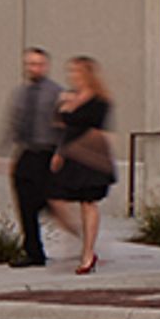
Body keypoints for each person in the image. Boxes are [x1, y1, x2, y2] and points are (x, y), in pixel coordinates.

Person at [45, 56, 117, 274]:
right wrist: (59, 151)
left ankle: (88, 253)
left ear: (87, 74)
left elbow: (94, 126)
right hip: (70, 154)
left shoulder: (100, 101)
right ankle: (79, 233)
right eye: (71, 72)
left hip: (90, 155)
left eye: (76, 72)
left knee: (88, 202)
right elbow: (59, 124)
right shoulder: (69, 96)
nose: (72, 76)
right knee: (54, 197)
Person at [0, 48, 61, 268]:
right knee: (24, 203)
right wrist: (3, 153)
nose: (34, 68)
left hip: (48, 153)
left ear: (46, 66)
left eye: (38, 64)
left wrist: (61, 153)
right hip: (26, 151)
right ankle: (34, 252)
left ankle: (59, 215)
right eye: (30, 64)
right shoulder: (20, 93)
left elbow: (64, 126)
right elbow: (12, 123)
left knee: (43, 199)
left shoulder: (55, 93)